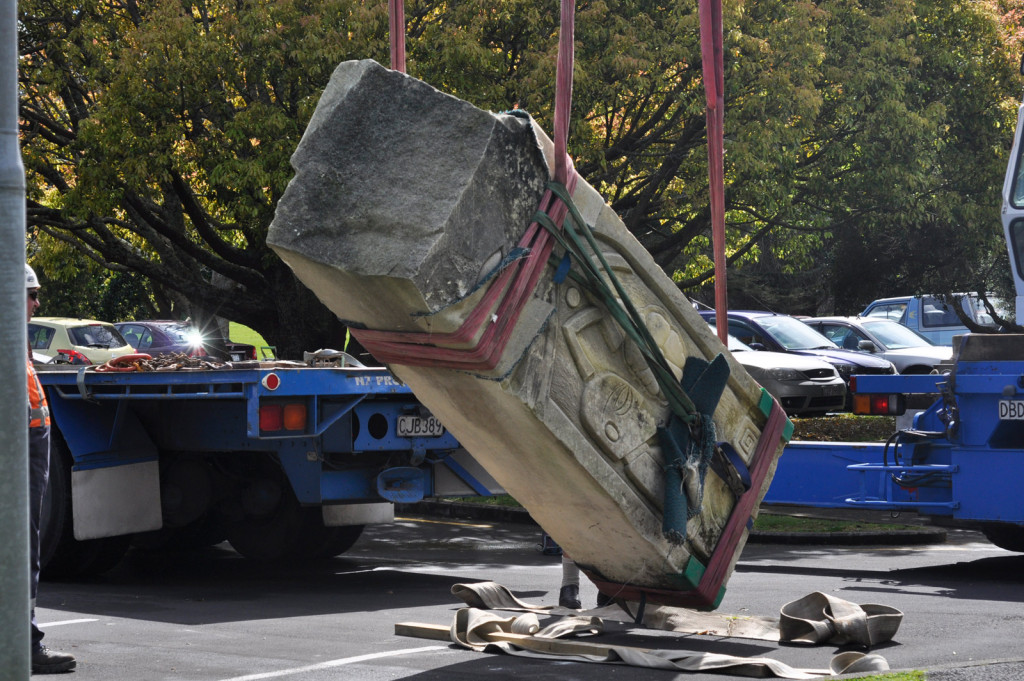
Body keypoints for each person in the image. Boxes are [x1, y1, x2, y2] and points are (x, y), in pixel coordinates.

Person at [26, 264, 77, 674]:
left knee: (26, 546)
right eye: (31, 294)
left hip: (29, 448)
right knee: (22, 549)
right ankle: (24, 644)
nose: (37, 303)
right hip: (19, 453)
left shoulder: (14, 342)